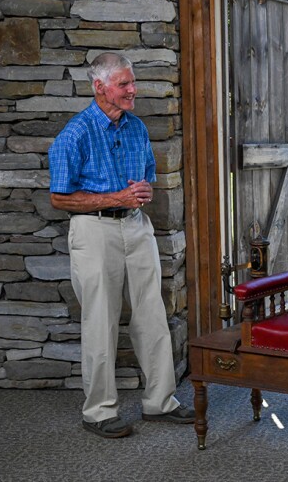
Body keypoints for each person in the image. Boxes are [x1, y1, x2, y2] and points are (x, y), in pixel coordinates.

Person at [48, 52, 194, 438]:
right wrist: (118, 198)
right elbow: (60, 198)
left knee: (152, 313)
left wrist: (144, 191)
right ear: (100, 87)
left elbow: (145, 181)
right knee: (100, 319)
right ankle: (98, 412)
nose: (133, 90)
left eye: (133, 82)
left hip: (136, 226)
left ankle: (160, 402)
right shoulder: (74, 135)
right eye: (124, 84)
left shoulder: (136, 129)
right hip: (94, 232)